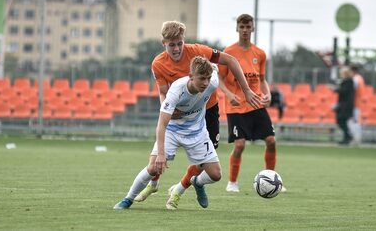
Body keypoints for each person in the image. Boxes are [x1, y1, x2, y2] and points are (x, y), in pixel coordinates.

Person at [133, 21, 261, 208]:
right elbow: (162, 91)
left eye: (180, 43)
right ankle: (153, 184)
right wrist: (166, 107)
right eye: (172, 44)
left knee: (206, 158)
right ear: (164, 43)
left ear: (184, 40)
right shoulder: (158, 64)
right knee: (160, 150)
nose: (177, 48)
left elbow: (231, 61)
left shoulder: (198, 51)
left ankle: (181, 188)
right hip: (178, 110)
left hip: (207, 109)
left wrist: (247, 90)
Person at [113, 56, 223, 210]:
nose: (205, 82)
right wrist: (161, 154)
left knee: (216, 175)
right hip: (172, 130)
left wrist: (214, 68)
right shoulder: (177, 90)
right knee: (153, 168)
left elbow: (217, 68)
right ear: (191, 77)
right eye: (202, 78)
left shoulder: (213, 83)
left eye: (208, 78)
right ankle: (128, 199)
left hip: (197, 132)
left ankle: (197, 182)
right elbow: (162, 123)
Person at [218, 13, 286, 193]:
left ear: (253, 28)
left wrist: (267, 94)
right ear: (237, 29)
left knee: (271, 140)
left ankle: (271, 179)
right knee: (239, 145)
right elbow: (219, 78)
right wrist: (229, 94)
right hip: (236, 105)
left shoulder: (260, 54)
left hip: (255, 103)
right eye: (242, 27)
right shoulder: (229, 52)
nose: (245, 30)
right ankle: (232, 182)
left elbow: (262, 80)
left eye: (248, 27)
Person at [330, 66, 355, 145]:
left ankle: (347, 137)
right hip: (343, 104)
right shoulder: (345, 81)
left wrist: (335, 89)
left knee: (341, 120)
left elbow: (344, 91)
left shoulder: (349, 81)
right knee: (340, 121)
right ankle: (347, 137)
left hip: (346, 105)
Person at [348, 64, 365, 144]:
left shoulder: (355, 79)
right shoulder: (359, 78)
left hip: (355, 103)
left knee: (354, 121)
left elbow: (352, 90)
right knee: (355, 121)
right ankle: (356, 138)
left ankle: (356, 138)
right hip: (357, 102)